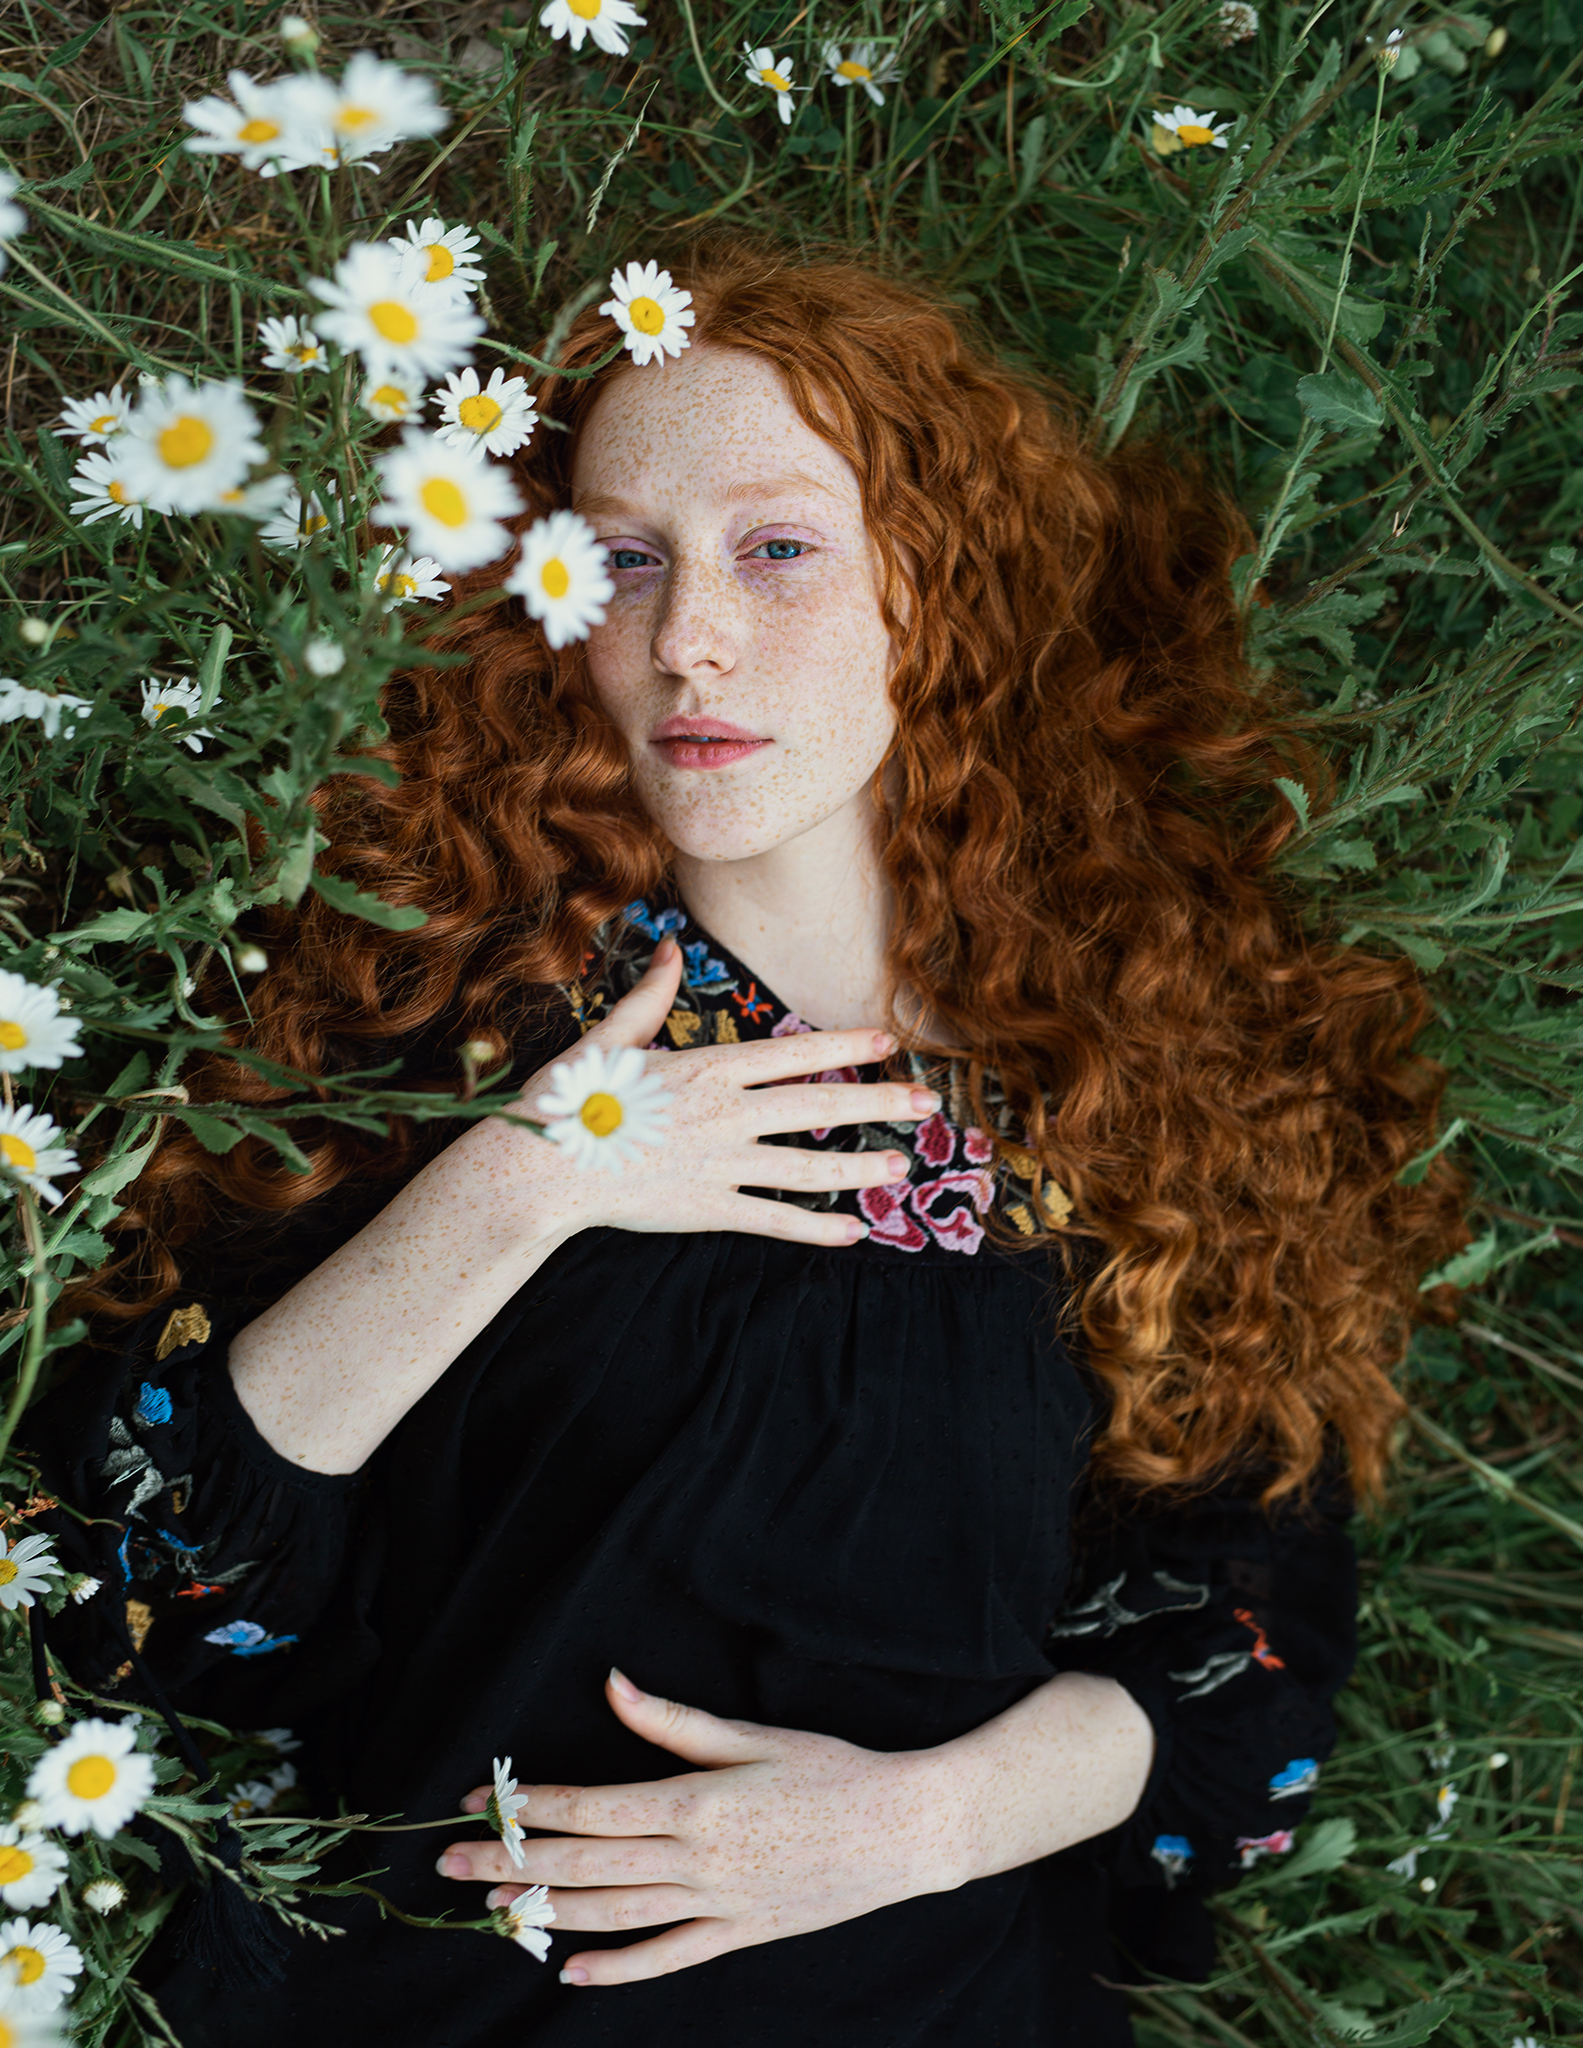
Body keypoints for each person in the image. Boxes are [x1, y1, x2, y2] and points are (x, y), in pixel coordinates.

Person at [30, 244, 1463, 2046]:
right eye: (627, 560)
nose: (685, 637)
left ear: (943, 583)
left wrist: (922, 1823)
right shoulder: (447, 1021)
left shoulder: (1138, 1075)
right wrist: (528, 1184)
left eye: (777, 549)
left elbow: (1252, 1661)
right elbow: (118, 1581)